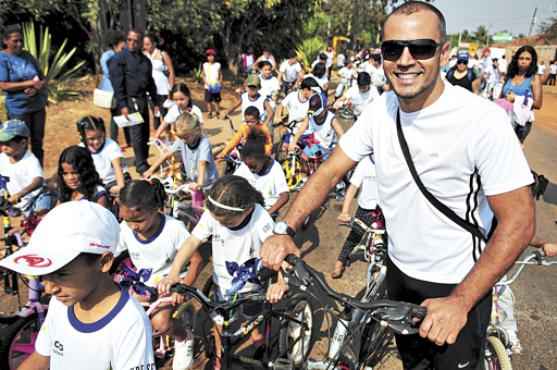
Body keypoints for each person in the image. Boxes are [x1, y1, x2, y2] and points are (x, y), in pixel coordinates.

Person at [260, 2, 535, 369]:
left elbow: (519, 221)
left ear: (444, 52)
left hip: (457, 283)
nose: (405, 59)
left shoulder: (482, 121)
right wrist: (285, 228)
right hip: (399, 276)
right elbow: (329, 172)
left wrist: (461, 302)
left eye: (420, 47)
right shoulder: (380, 110)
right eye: (393, 49)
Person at [0, 201, 155, 370]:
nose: (49, 288)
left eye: (61, 274)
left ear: (104, 262)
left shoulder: (129, 322)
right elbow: (41, 358)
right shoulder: (59, 304)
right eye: (44, 275)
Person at [158, 175, 287, 366]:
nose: (221, 225)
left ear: (248, 209)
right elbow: (193, 241)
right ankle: (219, 356)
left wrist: (280, 282)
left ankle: (258, 339)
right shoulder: (214, 214)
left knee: (254, 326)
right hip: (221, 283)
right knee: (219, 325)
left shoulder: (260, 217)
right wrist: (174, 272)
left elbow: (279, 251)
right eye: (219, 222)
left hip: (252, 286)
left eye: (229, 224)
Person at [117, 180, 203, 370]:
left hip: (171, 284)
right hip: (142, 284)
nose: (133, 226)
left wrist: (181, 288)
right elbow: (113, 255)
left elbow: (196, 260)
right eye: (126, 219)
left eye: (138, 220)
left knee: (160, 324)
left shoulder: (174, 229)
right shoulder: (125, 228)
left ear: (156, 208)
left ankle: (184, 336)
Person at [109, 29, 159, 176]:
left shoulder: (145, 61)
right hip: (129, 101)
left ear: (140, 42)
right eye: (129, 40)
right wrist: (123, 104)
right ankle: (140, 164)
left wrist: (156, 102)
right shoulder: (118, 59)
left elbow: (150, 83)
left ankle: (143, 159)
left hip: (142, 99)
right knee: (136, 132)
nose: (132, 43)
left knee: (145, 132)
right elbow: (117, 84)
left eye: (135, 40)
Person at [0, 25, 48, 166]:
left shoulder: (27, 55)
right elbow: (3, 85)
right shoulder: (2, 58)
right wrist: (28, 84)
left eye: (21, 40)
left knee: (38, 142)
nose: (19, 44)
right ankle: (23, 177)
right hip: (18, 110)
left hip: (37, 106)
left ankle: (38, 174)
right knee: (20, 145)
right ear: (5, 41)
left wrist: (37, 88)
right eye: (15, 41)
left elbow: (42, 77)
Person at [332, 155, 380, 279]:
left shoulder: (391, 161)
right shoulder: (365, 163)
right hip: (365, 209)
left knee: (384, 242)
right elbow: (353, 187)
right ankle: (340, 262)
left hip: (384, 209)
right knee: (354, 236)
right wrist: (345, 211)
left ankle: (379, 268)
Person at [145, 112, 218, 189]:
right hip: (192, 182)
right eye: (180, 138)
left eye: (186, 137)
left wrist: (200, 184)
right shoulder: (182, 140)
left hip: (208, 184)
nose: (183, 141)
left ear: (196, 130)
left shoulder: (204, 142)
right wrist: (150, 170)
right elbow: (167, 154)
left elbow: (202, 163)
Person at [0, 119, 54, 215]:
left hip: (35, 198)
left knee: (41, 212)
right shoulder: (3, 158)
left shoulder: (30, 161)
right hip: (18, 201)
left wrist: (20, 194)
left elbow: (38, 181)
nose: (3, 147)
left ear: (23, 143)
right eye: (2, 143)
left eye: (8, 144)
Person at [234, 133, 289, 217]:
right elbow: (232, 181)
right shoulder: (245, 166)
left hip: (267, 210)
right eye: (247, 166)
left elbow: (284, 196)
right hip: (250, 208)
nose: (250, 169)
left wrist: (268, 213)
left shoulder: (275, 168)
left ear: (262, 158)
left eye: (253, 166)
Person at [500, 45, 544, 143]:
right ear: (516, 59)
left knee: (512, 152)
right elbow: (501, 97)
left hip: (521, 123)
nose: (524, 61)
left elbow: (538, 104)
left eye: (527, 59)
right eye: (521, 58)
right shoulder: (510, 76)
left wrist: (516, 99)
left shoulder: (534, 78)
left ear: (532, 61)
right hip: (504, 119)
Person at [76, 116, 126, 196]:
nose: (96, 142)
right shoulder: (80, 149)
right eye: (91, 139)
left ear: (104, 133)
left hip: (113, 181)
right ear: (82, 136)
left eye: (100, 137)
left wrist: (120, 186)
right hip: (94, 184)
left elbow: (118, 167)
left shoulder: (111, 145)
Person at [288, 94, 344, 161]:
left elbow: (342, 136)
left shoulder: (332, 120)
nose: (317, 116)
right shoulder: (310, 115)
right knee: (298, 149)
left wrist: (338, 151)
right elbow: (302, 128)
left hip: (328, 150)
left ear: (325, 108)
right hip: (315, 145)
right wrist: (293, 142)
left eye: (319, 113)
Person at [98, 30, 130, 149]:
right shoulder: (108, 56)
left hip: (118, 87)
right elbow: (108, 73)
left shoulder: (117, 53)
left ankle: (126, 139)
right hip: (112, 89)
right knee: (116, 114)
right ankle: (114, 140)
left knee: (122, 113)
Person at [143, 34, 176, 130]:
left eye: (148, 44)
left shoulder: (162, 54)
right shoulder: (144, 55)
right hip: (150, 89)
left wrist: (170, 88)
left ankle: (168, 134)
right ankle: (158, 136)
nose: (146, 47)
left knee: (165, 113)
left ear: (154, 44)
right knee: (155, 112)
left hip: (163, 89)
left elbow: (171, 72)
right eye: (144, 44)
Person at [202, 48, 223, 119]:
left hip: (216, 86)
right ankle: (210, 112)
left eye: (212, 56)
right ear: (207, 57)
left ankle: (217, 112)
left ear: (215, 56)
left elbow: (221, 74)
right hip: (208, 86)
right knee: (208, 101)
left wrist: (220, 83)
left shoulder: (218, 65)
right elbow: (203, 75)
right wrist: (206, 82)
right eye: (209, 56)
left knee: (217, 101)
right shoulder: (205, 65)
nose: (211, 57)